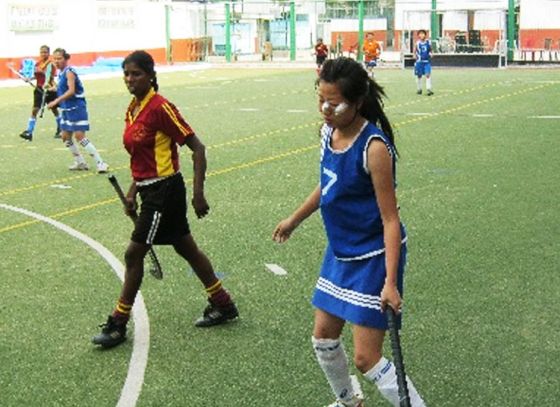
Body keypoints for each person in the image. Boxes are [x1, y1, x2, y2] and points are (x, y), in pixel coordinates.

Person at [272, 57, 426, 407]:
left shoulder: (374, 148)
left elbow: (390, 220)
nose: (325, 109)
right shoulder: (329, 133)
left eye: (334, 102)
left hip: (374, 255)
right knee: (323, 338)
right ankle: (348, 402)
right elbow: (329, 186)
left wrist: (390, 281)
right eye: (320, 100)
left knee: (366, 359)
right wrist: (294, 219)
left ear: (357, 102)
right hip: (341, 251)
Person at [92, 50, 239, 348]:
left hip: (165, 192)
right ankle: (222, 303)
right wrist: (133, 192)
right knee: (187, 248)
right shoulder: (133, 109)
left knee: (134, 254)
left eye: (136, 74)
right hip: (149, 190)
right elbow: (141, 157)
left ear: (150, 75)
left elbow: (198, 148)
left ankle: (118, 323)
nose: (130, 79)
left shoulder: (161, 108)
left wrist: (198, 194)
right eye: (126, 74)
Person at [47, 48, 108, 173]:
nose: (57, 61)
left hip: (77, 108)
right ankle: (80, 162)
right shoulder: (61, 73)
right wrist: (53, 88)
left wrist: (55, 101)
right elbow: (62, 87)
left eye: (59, 58)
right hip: (66, 109)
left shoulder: (70, 72)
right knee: (65, 137)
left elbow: (71, 91)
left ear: (66, 58)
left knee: (80, 136)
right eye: (55, 59)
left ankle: (100, 162)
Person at [19, 45, 61, 141]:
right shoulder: (37, 63)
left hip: (49, 89)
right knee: (35, 110)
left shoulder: (51, 64)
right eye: (42, 52)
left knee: (54, 109)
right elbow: (36, 76)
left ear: (48, 53)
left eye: (45, 52)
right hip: (39, 89)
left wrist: (42, 71)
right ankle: (29, 132)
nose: (43, 54)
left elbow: (51, 76)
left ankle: (60, 128)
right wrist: (29, 79)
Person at [414, 30, 433, 96]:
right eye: (420, 34)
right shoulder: (417, 43)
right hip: (419, 62)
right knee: (419, 76)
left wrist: (431, 54)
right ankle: (419, 89)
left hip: (426, 62)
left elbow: (430, 50)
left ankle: (428, 89)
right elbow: (415, 51)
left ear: (425, 35)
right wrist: (414, 56)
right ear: (418, 35)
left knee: (428, 74)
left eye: (423, 34)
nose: (421, 35)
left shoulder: (428, 42)